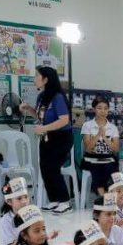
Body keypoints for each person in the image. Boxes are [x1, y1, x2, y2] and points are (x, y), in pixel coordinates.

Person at [20, 66, 74, 215]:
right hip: (47, 138)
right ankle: (54, 200)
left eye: (37, 75)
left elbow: (64, 120)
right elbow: (40, 117)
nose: (34, 78)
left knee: (53, 167)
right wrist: (29, 109)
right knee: (44, 167)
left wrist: (44, 128)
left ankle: (65, 201)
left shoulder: (58, 96)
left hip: (61, 138)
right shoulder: (41, 97)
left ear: (46, 79)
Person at [81, 95, 120, 197]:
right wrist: (98, 134)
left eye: (105, 108)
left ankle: (107, 197)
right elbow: (88, 148)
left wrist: (105, 138)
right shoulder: (87, 125)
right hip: (91, 158)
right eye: (99, 108)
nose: (103, 111)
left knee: (110, 168)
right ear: (94, 109)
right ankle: (104, 197)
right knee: (96, 168)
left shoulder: (113, 128)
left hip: (108, 157)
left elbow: (116, 149)